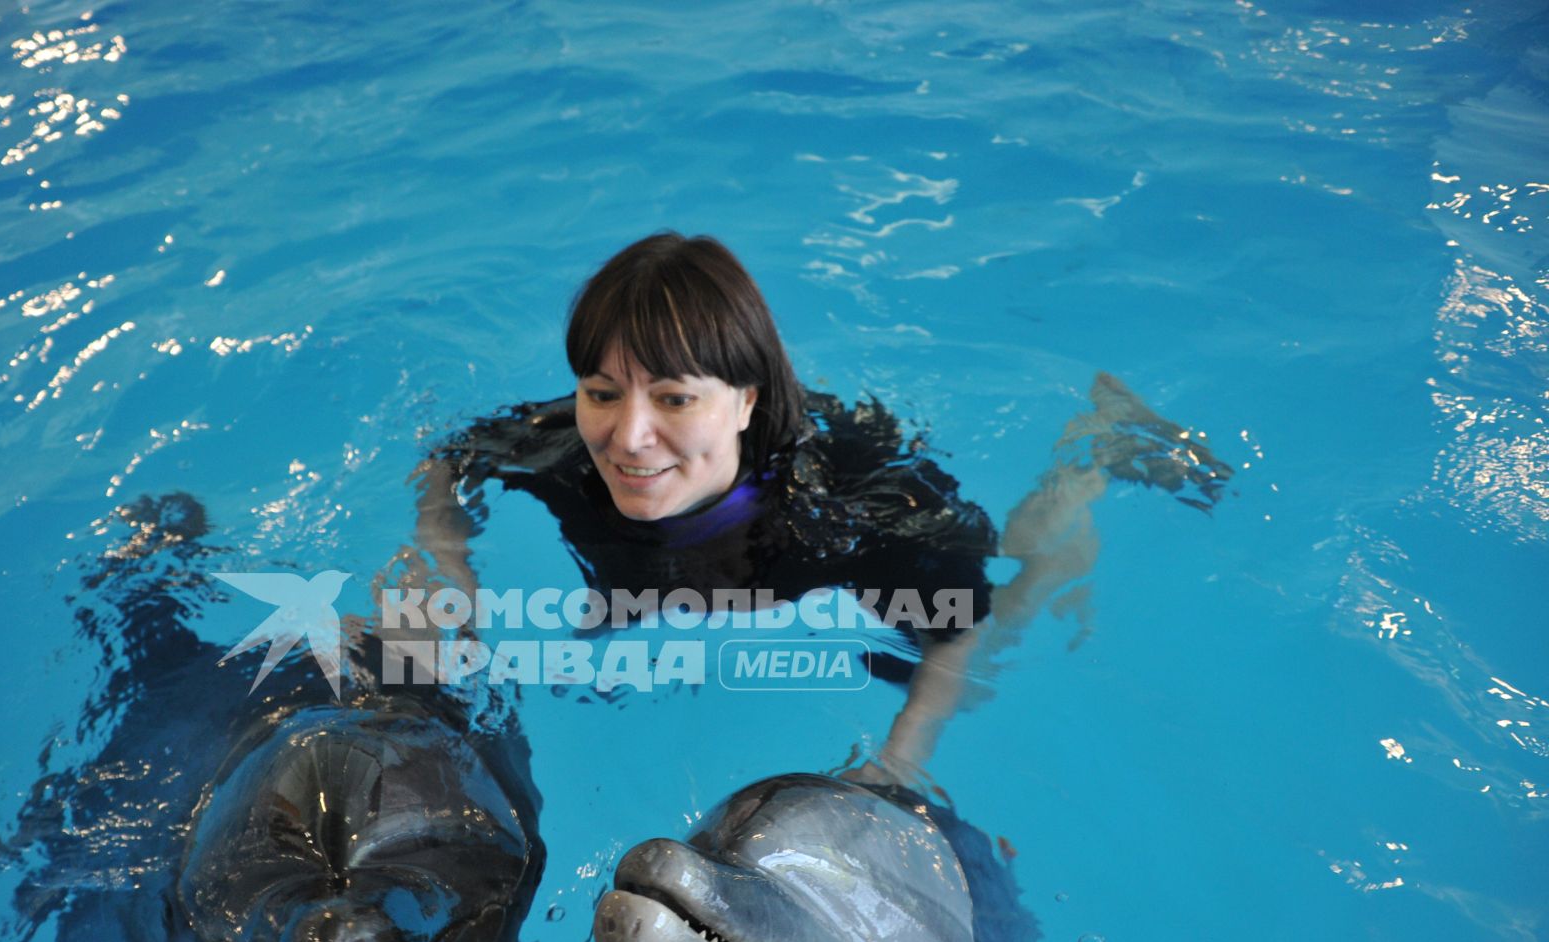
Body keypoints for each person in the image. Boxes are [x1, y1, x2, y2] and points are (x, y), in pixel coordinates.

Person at [399, 232, 1229, 781]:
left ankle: (1093, 455)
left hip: (835, 502)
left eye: (676, 399)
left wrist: (900, 763)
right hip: (677, 567)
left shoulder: (843, 516)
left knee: (988, 634)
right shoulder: (566, 449)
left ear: (745, 401)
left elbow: (959, 626)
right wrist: (442, 575)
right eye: (602, 391)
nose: (628, 437)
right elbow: (454, 457)